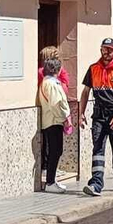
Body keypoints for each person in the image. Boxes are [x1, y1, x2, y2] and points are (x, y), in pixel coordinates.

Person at [79, 38, 113, 196]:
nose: (106, 52)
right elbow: (85, 92)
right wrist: (81, 113)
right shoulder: (93, 68)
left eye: (109, 49)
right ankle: (96, 184)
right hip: (99, 117)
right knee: (97, 149)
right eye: (104, 49)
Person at [38, 51, 70, 193]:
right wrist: (65, 118)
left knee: (55, 151)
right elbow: (57, 104)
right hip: (53, 121)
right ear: (56, 70)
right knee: (56, 151)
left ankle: (52, 180)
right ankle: (50, 182)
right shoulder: (51, 84)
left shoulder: (46, 82)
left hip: (51, 120)